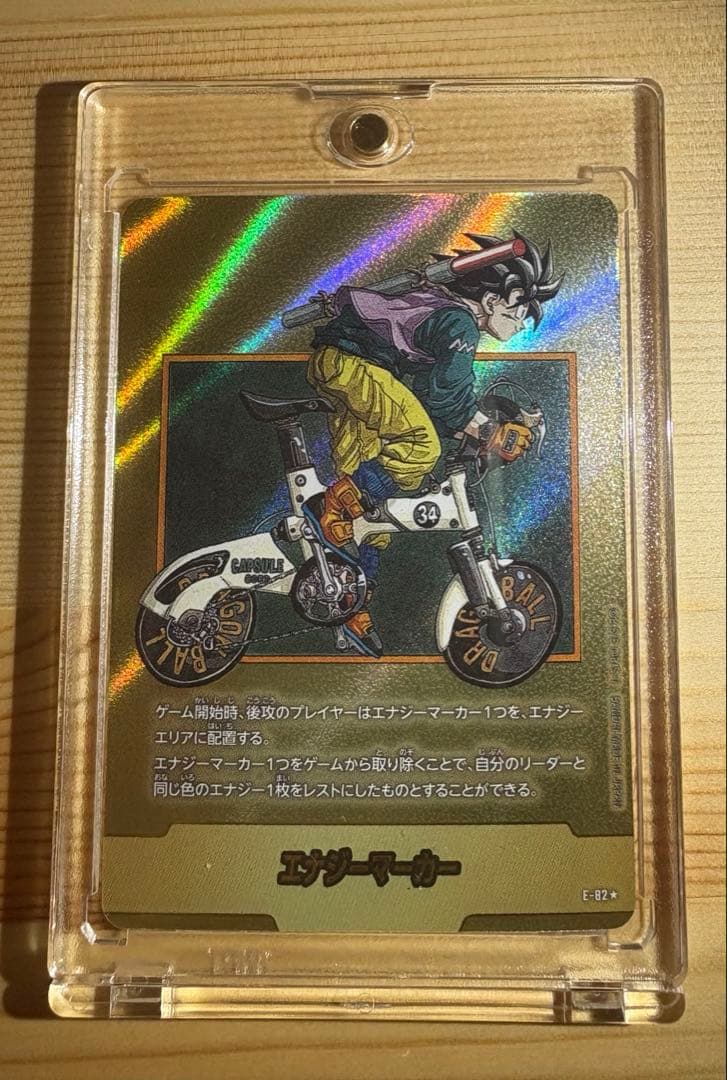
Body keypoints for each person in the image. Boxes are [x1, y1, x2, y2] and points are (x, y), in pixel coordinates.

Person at [302, 231, 563, 657]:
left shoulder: (441, 310)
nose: (520, 326)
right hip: (354, 367)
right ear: (494, 299)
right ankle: (325, 508)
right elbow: (447, 397)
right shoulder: (460, 323)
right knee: (420, 448)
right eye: (519, 312)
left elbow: (429, 399)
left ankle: (349, 607)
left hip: (348, 370)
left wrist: (478, 429)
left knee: (372, 517)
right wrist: (490, 433)